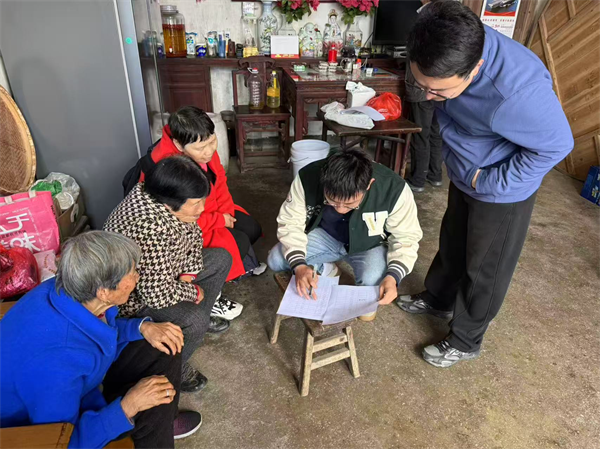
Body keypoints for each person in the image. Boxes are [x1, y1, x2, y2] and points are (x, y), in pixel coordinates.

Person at [398, 2, 574, 367]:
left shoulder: (519, 92)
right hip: (466, 170)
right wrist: (463, 167)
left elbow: (558, 145)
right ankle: (438, 298)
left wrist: (491, 180)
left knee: (484, 267)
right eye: (422, 85)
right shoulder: (448, 36)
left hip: (499, 187)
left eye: (438, 91)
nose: (427, 97)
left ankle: (466, 339)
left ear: (475, 69)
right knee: (453, 241)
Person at [0, 231, 202, 448]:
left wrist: (141, 327)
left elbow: (99, 330)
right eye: (132, 273)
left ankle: (163, 422)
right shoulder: (56, 365)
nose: (137, 277)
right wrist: (127, 406)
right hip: (48, 427)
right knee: (150, 406)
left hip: (86, 383)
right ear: (104, 292)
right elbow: (64, 441)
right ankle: (157, 428)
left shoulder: (67, 289)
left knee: (163, 345)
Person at [105, 156, 232, 393]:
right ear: (168, 205)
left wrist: (188, 276)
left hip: (165, 270)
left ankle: (192, 330)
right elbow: (155, 295)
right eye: (196, 204)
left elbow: (193, 235)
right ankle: (175, 367)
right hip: (136, 298)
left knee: (221, 259)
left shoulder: (162, 194)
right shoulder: (149, 226)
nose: (202, 209)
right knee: (195, 318)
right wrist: (192, 292)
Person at [138, 106, 266, 322]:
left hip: (211, 210)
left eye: (212, 141)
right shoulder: (167, 168)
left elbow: (220, 181)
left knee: (251, 228)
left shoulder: (201, 145)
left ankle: (242, 264)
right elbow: (178, 220)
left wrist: (226, 212)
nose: (209, 151)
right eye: (201, 148)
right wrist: (219, 220)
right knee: (236, 243)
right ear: (179, 144)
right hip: (187, 228)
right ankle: (212, 296)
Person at [268, 149, 422, 316]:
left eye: (350, 204)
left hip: (370, 244)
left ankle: (366, 283)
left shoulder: (394, 189)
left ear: (368, 185)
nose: (340, 209)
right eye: (332, 202)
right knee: (276, 260)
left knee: (374, 280)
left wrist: (393, 277)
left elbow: (406, 237)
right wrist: (299, 265)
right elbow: (290, 222)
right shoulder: (307, 177)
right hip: (326, 236)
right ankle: (326, 269)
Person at [404, 0, 454, 193]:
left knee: (420, 135)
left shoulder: (425, 18)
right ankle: (435, 175)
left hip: (422, 87)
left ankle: (417, 180)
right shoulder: (445, 16)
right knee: (435, 132)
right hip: (440, 88)